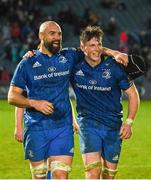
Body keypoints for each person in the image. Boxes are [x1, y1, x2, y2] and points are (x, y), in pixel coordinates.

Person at [8, 21, 145, 179]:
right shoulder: (29, 63)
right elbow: (15, 96)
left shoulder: (69, 57)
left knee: (65, 175)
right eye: (52, 33)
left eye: (59, 34)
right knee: (42, 176)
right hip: (46, 127)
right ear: (41, 36)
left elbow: (94, 51)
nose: (57, 37)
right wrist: (31, 107)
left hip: (69, 128)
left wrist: (115, 53)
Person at [69, 26, 140, 179]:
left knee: (109, 176)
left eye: (99, 44)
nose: (97, 49)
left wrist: (128, 122)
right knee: (92, 173)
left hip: (113, 126)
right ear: (83, 47)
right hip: (88, 124)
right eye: (92, 45)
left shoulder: (115, 67)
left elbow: (133, 95)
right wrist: (32, 53)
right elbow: (51, 53)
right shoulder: (74, 66)